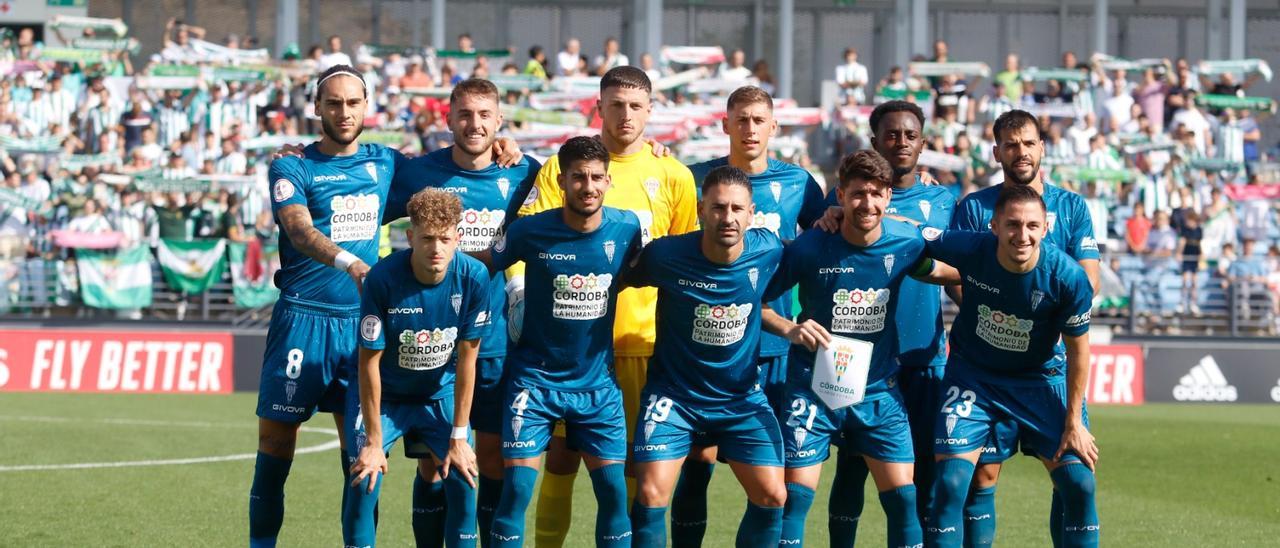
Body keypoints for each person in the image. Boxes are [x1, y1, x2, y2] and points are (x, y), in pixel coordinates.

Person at [518, 66, 697, 546]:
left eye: (636, 106)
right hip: (567, 350)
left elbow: (687, 262)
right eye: (616, 104)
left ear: (651, 111)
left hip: (643, 343)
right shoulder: (563, 168)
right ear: (599, 107)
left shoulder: (674, 174)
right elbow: (526, 237)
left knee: (637, 465)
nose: (626, 115)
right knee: (560, 458)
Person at [762, 150, 960, 547]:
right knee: (794, 498)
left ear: (888, 196)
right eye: (856, 194)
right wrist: (791, 329)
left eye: (875, 194)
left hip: (877, 389)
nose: (866, 203)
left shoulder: (905, 242)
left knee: (904, 499)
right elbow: (756, 301)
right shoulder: (811, 247)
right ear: (840, 195)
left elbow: (950, 272)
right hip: (813, 388)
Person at [248, 65, 401, 547]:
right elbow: (297, 228)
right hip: (300, 321)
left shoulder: (386, 163)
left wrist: (507, 148)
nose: (344, 111)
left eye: (353, 102)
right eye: (333, 102)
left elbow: (454, 170)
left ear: (366, 105)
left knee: (361, 457)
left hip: (360, 327)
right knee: (275, 449)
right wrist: (349, 261)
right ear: (316, 107)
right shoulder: (292, 165)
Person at [383, 78, 541, 544]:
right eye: (465, 115)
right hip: (429, 344)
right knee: (433, 464)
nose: (475, 124)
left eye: (484, 115)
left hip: (491, 342)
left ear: (499, 121)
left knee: (488, 457)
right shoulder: (417, 175)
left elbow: (575, 183)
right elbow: (367, 205)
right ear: (449, 119)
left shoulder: (521, 173)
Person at [673, 86, 827, 545]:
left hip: (777, 346)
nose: (750, 128)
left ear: (774, 126)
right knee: (696, 468)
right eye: (741, 119)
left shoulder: (799, 183)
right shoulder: (695, 178)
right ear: (725, 125)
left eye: (759, 120)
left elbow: (831, 231)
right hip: (707, 349)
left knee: (769, 475)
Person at [476, 136, 643, 547]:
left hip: (597, 386)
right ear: (563, 181)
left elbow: (643, 272)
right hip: (534, 382)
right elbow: (481, 264)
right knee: (515, 492)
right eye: (579, 178)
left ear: (608, 181)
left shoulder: (627, 228)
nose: (589, 187)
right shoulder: (529, 230)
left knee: (614, 494)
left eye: (597, 178)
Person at [948, 109, 1100, 546]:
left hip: (1047, 369)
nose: (1021, 152)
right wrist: (998, 305)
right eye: (1011, 145)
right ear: (996, 151)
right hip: (983, 369)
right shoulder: (974, 208)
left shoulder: (1070, 206)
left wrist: (1036, 317)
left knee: (1073, 475)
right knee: (981, 475)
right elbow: (956, 275)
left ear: (1042, 148)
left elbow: (1088, 282)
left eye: (1029, 143)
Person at [625, 166, 787, 548]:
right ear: (701, 209)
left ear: (751, 214)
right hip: (674, 397)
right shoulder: (665, 255)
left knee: (773, 496)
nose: (727, 218)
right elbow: (611, 280)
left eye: (736, 209)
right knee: (650, 494)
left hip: (740, 400)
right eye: (717, 208)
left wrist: (791, 328)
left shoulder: (770, 249)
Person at [344, 188, 488, 547]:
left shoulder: (474, 277)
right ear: (410, 238)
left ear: (459, 237)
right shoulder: (383, 278)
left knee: (464, 476)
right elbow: (368, 363)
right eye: (426, 238)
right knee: (365, 477)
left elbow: (468, 361)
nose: (436, 249)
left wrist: (458, 437)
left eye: (444, 238)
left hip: (438, 395)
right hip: (386, 397)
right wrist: (374, 442)